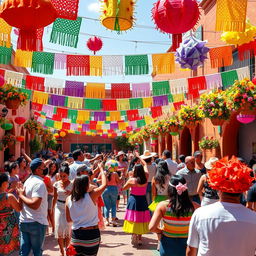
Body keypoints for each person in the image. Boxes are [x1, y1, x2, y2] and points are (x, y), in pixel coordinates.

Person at [186, 156, 256, 256]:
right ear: (242, 190)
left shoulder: (200, 214)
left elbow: (190, 250)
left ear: (218, 188)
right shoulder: (253, 218)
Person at [149, 175, 198, 256]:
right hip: (187, 245)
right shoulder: (195, 206)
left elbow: (151, 227)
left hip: (167, 245)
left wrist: (161, 231)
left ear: (170, 189)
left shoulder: (162, 206)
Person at [65, 162, 107, 256]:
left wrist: (79, 218)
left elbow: (68, 219)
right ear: (86, 185)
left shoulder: (68, 199)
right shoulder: (92, 195)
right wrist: (101, 169)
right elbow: (104, 184)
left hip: (76, 235)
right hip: (91, 235)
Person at [17, 158, 48, 256]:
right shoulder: (39, 183)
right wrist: (21, 195)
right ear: (38, 169)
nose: (45, 168)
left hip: (25, 222)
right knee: (37, 253)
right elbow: (35, 204)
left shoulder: (28, 181)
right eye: (44, 167)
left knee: (24, 252)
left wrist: (21, 196)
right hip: (36, 222)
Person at [123, 154, 150, 246]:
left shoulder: (132, 180)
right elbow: (145, 164)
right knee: (141, 218)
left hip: (133, 199)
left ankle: (133, 234)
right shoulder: (146, 177)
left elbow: (123, 188)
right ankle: (139, 238)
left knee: (133, 217)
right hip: (142, 199)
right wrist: (139, 157)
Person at [149, 161, 171, 251]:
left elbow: (153, 193)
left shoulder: (154, 179)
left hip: (158, 200)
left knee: (157, 223)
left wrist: (154, 201)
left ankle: (159, 242)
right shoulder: (170, 177)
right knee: (166, 222)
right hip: (168, 200)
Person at [52, 163, 73, 256]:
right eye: (60, 176)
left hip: (69, 207)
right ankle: (61, 250)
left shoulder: (73, 184)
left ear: (68, 175)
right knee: (59, 228)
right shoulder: (56, 184)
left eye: (64, 176)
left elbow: (77, 198)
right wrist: (52, 209)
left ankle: (67, 248)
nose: (62, 178)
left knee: (68, 228)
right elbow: (54, 197)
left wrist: (71, 193)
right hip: (59, 207)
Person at [0, 173, 22, 256]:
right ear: (4, 184)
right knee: (7, 250)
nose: (9, 184)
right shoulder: (9, 197)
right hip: (7, 227)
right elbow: (19, 208)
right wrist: (20, 193)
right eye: (8, 182)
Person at [101, 159, 122, 227]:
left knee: (106, 206)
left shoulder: (104, 173)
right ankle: (113, 220)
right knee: (113, 205)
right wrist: (122, 177)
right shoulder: (115, 174)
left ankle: (107, 221)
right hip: (113, 189)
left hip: (105, 189)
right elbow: (118, 181)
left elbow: (99, 180)